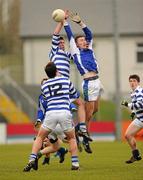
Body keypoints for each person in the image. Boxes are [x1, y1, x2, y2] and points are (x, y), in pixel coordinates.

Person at [23, 62, 80, 172]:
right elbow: (74, 95)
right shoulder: (65, 81)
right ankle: (75, 163)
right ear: (56, 71)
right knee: (72, 138)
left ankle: (31, 160)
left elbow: (45, 100)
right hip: (64, 112)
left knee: (39, 137)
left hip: (50, 114)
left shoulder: (44, 85)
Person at [49, 22, 92, 147]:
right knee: (68, 113)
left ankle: (81, 129)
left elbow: (78, 54)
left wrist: (84, 44)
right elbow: (55, 34)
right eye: (60, 43)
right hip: (59, 86)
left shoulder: (67, 55)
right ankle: (74, 135)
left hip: (66, 85)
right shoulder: (54, 52)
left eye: (63, 43)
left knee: (80, 104)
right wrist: (61, 22)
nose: (62, 44)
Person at [63, 11, 103, 136]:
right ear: (76, 43)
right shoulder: (75, 51)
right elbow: (69, 34)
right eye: (81, 40)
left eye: (84, 39)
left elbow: (89, 33)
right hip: (89, 83)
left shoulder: (89, 48)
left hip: (97, 81)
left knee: (95, 109)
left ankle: (79, 128)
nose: (84, 40)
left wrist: (80, 23)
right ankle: (83, 132)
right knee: (89, 113)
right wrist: (65, 21)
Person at [121, 74, 143, 163]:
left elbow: (141, 105)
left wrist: (128, 105)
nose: (132, 83)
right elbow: (138, 105)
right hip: (140, 118)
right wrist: (134, 112)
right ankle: (136, 154)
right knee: (128, 135)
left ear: (138, 82)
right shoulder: (133, 93)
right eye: (130, 81)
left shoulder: (139, 91)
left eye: (134, 81)